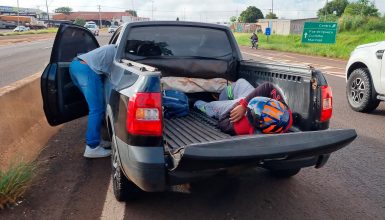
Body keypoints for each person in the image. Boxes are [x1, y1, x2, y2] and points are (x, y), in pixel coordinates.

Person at [194, 79, 292, 135]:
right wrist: (244, 105)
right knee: (241, 82)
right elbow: (267, 86)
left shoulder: (243, 126)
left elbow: (222, 123)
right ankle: (223, 96)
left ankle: (196, 103)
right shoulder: (285, 110)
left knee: (211, 106)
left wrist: (239, 104)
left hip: (230, 108)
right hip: (246, 101)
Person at [69, 44, 116, 158]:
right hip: (87, 70)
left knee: (95, 107)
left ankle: (97, 140)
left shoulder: (116, 46)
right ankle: (92, 147)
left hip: (75, 65)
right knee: (96, 109)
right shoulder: (122, 52)